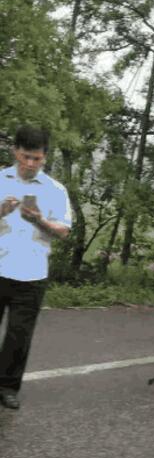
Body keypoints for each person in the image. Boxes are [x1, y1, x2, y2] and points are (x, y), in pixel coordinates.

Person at [0, 126, 72, 409]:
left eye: (37, 158)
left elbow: (63, 231)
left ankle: (7, 386)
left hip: (32, 273)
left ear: (45, 157)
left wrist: (40, 221)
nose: (30, 163)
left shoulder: (55, 190)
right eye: (26, 156)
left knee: (19, 335)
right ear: (15, 150)